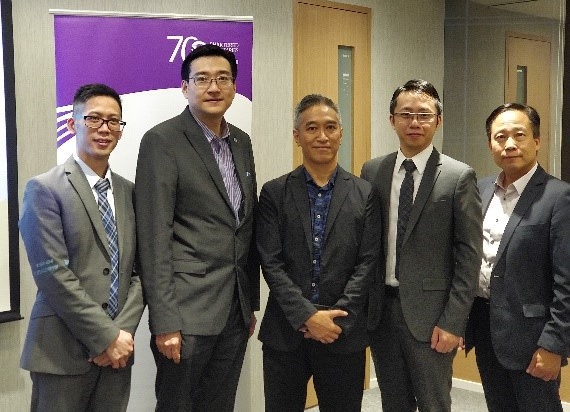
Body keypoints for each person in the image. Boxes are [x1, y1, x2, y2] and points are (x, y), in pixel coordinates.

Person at [135, 44, 259, 412]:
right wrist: (164, 320)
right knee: (178, 405)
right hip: (186, 313)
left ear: (234, 87)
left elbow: (244, 226)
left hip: (234, 309)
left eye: (223, 79)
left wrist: (249, 304)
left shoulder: (241, 141)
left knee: (220, 405)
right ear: (185, 87)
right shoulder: (162, 140)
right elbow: (153, 237)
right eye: (202, 79)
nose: (214, 87)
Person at [19, 83, 144, 412]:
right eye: (94, 119)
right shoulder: (45, 188)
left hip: (117, 356)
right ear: (73, 124)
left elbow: (138, 272)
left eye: (113, 121)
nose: (105, 128)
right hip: (61, 354)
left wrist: (122, 334)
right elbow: (52, 274)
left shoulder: (130, 192)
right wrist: (106, 336)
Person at [360, 79, 483, 411]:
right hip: (382, 312)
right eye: (406, 114)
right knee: (393, 402)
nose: (414, 122)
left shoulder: (458, 176)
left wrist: (453, 321)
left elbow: (469, 256)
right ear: (392, 119)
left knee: (434, 404)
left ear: (438, 120)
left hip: (433, 317)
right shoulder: (373, 170)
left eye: (424, 115)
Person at [257, 94, 382, 412]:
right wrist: (307, 316)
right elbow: (271, 263)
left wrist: (337, 318)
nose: (322, 136)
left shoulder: (364, 193)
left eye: (330, 127)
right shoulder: (274, 193)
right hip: (285, 332)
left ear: (341, 134)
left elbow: (367, 263)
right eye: (311, 128)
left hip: (343, 333)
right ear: (297, 136)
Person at [464, 103, 570, 412]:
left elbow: (566, 281)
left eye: (519, 135)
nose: (509, 144)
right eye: (500, 137)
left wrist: (554, 344)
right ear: (490, 144)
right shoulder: (481, 189)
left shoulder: (559, 197)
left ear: (537, 141)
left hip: (533, 338)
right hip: (486, 329)